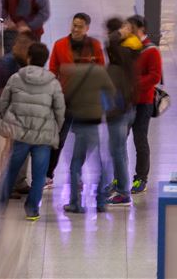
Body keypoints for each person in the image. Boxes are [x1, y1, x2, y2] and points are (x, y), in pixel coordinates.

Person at [0, 42, 65, 221]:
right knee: (39, 176)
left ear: (29, 58)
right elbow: (59, 110)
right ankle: (32, 210)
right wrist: (55, 127)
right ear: (45, 60)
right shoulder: (53, 82)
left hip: (21, 134)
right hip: (43, 135)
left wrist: (9, 119)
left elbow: (4, 101)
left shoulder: (16, 77)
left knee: (11, 170)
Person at [46, 13, 105, 185]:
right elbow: (52, 70)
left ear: (87, 28)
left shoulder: (94, 46)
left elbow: (100, 71)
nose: (75, 29)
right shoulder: (60, 45)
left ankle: (76, 174)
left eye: (80, 26)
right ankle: (48, 174)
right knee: (58, 138)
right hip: (64, 99)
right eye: (74, 25)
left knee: (83, 141)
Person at [61, 47, 115, 214]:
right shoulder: (100, 72)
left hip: (78, 123)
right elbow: (111, 92)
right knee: (100, 164)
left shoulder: (74, 73)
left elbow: (67, 94)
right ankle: (100, 201)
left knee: (76, 164)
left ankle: (75, 203)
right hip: (94, 123)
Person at [104, 18, 141, 207]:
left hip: (120, 110)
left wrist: (121, 32)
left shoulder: (124, 55)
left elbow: (109, 41)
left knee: (117, 150)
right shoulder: (127, 54)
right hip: (123, 108)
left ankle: (123, 192)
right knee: (119, 150)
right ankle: (120, 184)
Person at [126, 15, 162, 195]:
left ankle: (141, 177)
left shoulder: (151, 51)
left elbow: (155, 76)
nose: (128, 31)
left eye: (131, 28)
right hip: (125, 101)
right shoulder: (126, 47)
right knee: (118, 141)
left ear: (141, 29)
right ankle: (118, 177)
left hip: (143, 103)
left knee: (140, 139)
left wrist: (134, 83)